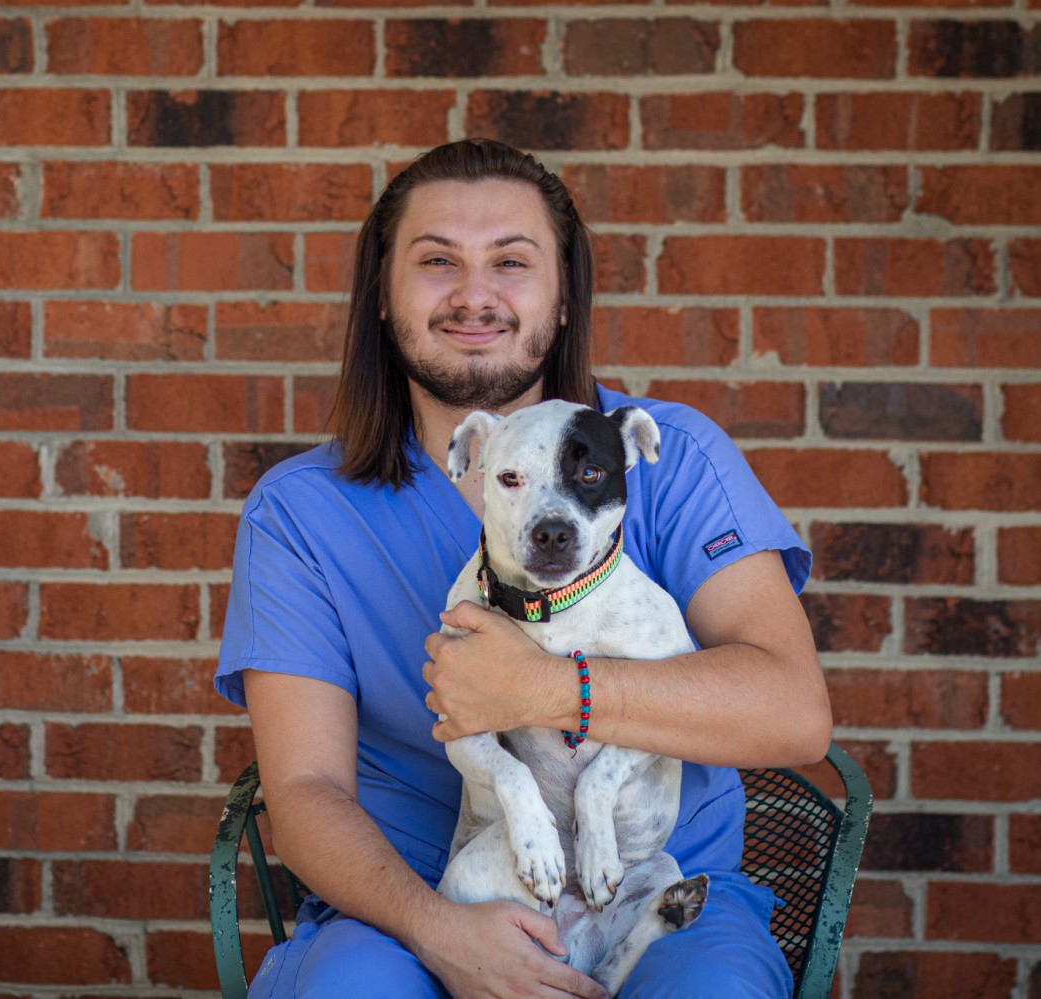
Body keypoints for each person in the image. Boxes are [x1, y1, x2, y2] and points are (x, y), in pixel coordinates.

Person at [214, 138, 832, 999]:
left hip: (661, 888)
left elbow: (795, 714)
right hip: (405, 906)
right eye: (437, 262)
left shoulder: (671, 455)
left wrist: (549, 689)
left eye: (511, 260)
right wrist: (442, 932)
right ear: (382, 301)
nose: (475, 294)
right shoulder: (301, 512)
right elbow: (305, 789)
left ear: (565, 296)